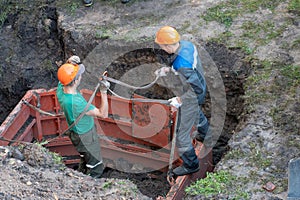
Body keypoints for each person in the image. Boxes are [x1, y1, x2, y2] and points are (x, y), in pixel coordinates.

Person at [154, 26, 210, 176]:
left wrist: (180, 100)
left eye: (161, 46)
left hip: (192, 96)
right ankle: (209, 138)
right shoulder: (186, 45)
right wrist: (168, 69)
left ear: (167, 45)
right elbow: (185, 64)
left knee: (182, 137)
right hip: (198, 86)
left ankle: (191, 165)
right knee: (198, 117)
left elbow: (195, 89)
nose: (161, 49)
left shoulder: (182, 66)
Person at [56, 55, 110, 178]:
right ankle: (92, 182)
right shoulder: (76, 103)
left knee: (84, 155)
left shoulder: (61, 91)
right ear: (75, 81)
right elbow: (103, 114)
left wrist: (69, 63)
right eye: (79, 75)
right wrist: (103, 91)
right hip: (86, 136)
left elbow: (63, 78)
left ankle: (81, 172)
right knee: (96, 164)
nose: (81, 76)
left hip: (76, 134)